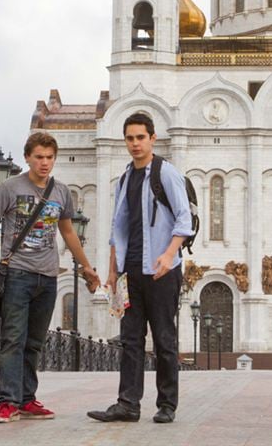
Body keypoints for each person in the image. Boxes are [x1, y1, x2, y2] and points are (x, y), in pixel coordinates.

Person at [0, 131, 100, 424]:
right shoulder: (10, 187)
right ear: (28, 157)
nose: (44, 163)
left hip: (48, 277)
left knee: (34, 342)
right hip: (17, 274)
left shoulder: (60, 192)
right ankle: (7, 402)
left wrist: (87, 267)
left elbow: (68, 232)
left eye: (49, 157)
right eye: (39, 157)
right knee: (13, 339)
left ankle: (27, 399)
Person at [88, 113, 193, 425]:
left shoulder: (166, 174)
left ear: (152, 138)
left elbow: (184, 219)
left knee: (164, 338)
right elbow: (117, 229)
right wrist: (112, 271)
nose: (135, 144)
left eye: (140, 137)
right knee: (130, 339)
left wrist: (168, 254)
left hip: (162, 271)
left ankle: (167, 405)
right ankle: (128, 403)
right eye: (130, 138)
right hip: (130, 271)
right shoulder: (125, 178)